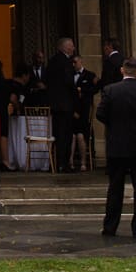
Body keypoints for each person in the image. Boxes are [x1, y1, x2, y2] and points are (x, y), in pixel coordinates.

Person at [96, 56, 136, 238]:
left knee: (115, 187)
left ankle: (110, 227)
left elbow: (100, 114)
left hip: (117, 145)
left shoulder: (110, 90)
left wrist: (115, 125)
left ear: (122, 71)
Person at [44, 37, 76, 173]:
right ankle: (64, 164)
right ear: (65, 47)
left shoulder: (51, 61)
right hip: (65, 104)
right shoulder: (66, 62)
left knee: (58, 134)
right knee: (66, 134)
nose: (73, 48)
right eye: (72, 46)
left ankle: (56, 162)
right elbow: (69, 82)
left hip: (55, 105)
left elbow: (47, 80)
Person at [70, 54, 97, 171]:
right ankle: (70, 162)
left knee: (80, 136)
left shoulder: (90, 75)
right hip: (72, 111)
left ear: (80, 61)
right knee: (71, 136)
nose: (73, 64)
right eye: (72, 62)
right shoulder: (69, 75)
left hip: (84, 111)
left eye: (75, 62)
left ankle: (83, 163)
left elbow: (95, 89)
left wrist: (83, 90)